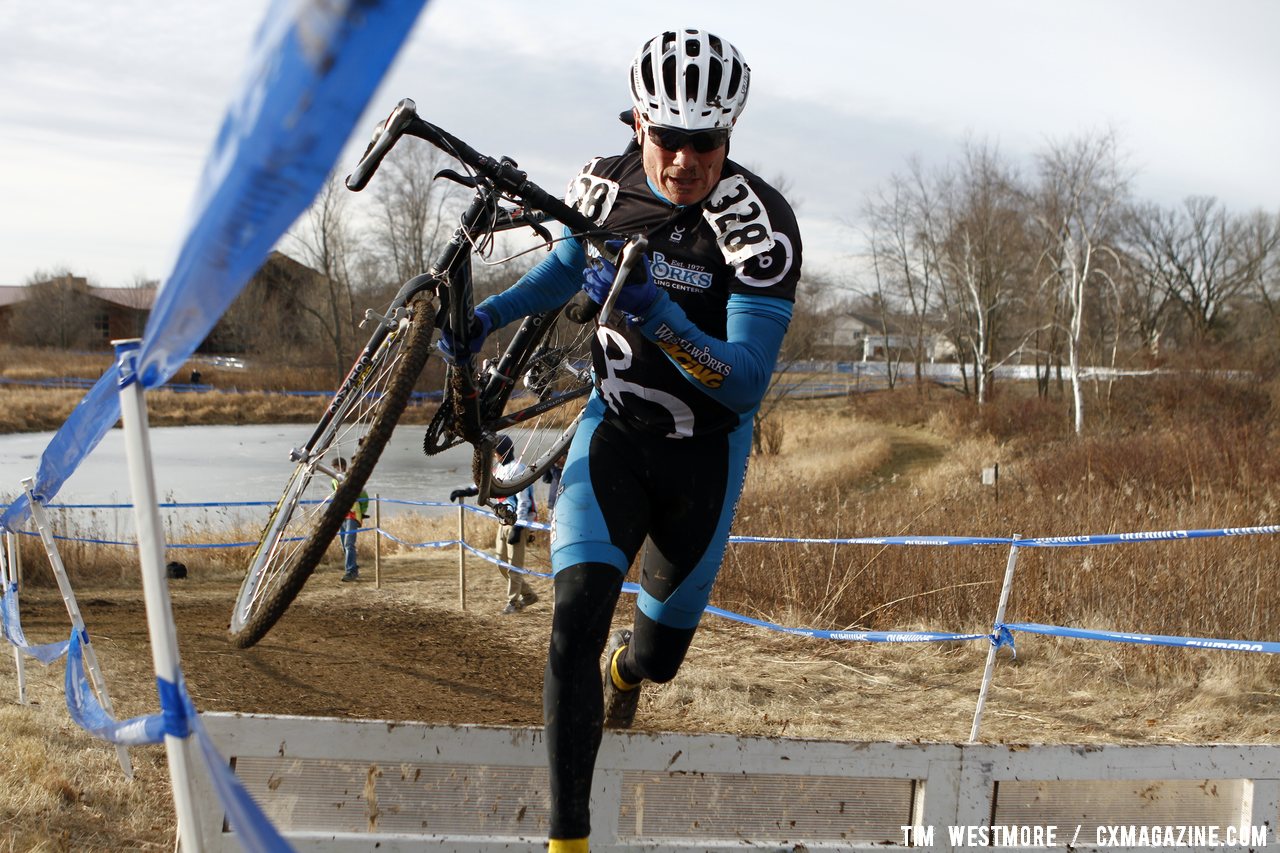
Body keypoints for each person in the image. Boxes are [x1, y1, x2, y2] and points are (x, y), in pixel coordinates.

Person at [440, 29, 800, 851]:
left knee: (657, 655)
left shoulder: (757, 226)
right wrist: (488, 318)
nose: (683, 162)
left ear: (729, 135)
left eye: (705, 142)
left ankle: (628, 673)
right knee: (574, 615)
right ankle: (570, 838)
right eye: (667, 138)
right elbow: (564, 270)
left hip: (704, 454)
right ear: (638, 122)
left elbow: (745, 379)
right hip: (615, 431)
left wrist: (660, 316)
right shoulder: (603, 187)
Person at [449, 435, 540, 614]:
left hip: (516, 523)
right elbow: (486, 483)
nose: (495, 456)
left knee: (514, 566)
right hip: (502, 521)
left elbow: (525, 501)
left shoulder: (518, 469)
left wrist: (520, 526)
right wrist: (466, 491)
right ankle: (528, 595)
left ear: (503, 452)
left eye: (496, 453)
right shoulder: (499, 469)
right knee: (501, 563)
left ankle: (513, 603)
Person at [331, 457, 369, 582]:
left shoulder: (353, 478)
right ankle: (353, 569)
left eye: (336, 467)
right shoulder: (334, 480)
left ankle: (351, 572)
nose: (335, 470)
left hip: (352, 515)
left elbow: (364, 497)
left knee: (349, 544)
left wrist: (362, 512)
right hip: (340, 516)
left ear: (343, 467)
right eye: (334, 468)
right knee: (344, 545)